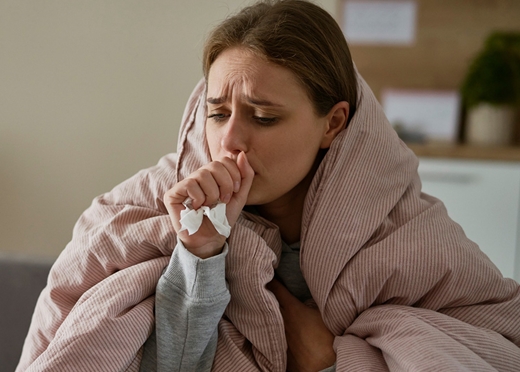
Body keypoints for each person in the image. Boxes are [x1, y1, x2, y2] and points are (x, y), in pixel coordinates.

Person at [17, 1, 520, 371]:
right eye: (216, 113)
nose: (229, 140)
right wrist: (199, 256)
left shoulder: (407, 229)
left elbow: (496, 341)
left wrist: (337, 362)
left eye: (263, 116)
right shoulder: (145, 206)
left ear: (333, 123)